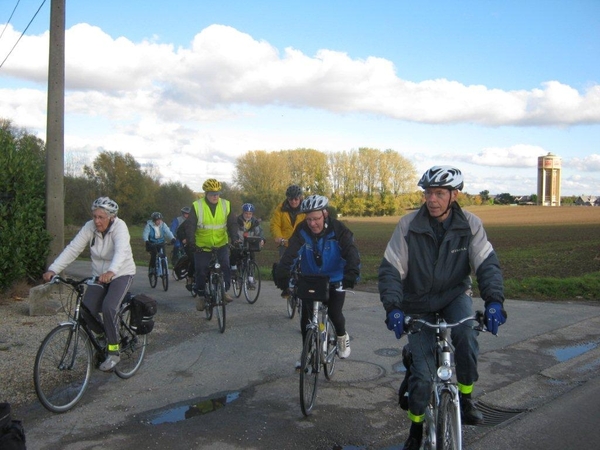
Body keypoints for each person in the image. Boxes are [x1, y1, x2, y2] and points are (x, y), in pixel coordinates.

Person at [377, 166, 507, 450]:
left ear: (454, 195)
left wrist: (494, 301)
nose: (431, 199)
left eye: (438, 193)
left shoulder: (470, 225)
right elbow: (391, 270)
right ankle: (415, 428)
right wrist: (394, 308)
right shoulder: (408, 225)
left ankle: (467, 397)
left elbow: (487, 264)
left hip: (453, 295)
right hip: (417, 303)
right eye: (427, 193)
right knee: (423, 376)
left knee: (467, 337)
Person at [42, 197, 136, 372]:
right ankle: (101, 335)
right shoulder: (89, 227)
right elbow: (73, 248)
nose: (97, 221)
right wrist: (53, 269)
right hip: (99, 276)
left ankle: (114, 351)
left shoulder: (120, 227)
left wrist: (111, 271)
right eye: (94, 216)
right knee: (85, 308)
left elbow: (121, 251)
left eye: (101, 217)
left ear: (111, 217)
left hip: (121, 273)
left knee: (109, 307)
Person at [274, 194, 360, 366]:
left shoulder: (338, 229)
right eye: (309, 219)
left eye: (316, 219)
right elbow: (291, 253)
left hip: (334, 278)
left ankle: (342, 337)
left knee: (335, 313)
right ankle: (306, 353)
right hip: (310, 278)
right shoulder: (301, 230)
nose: (312, 223)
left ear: (325, 214)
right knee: (306, 320)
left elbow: (351, 252)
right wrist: (283, 272)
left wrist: (351, 273)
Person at [182, 178, 237, 311]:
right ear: (206, 193)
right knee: (201, 269)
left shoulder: (226, 205)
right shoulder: (197, 206)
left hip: (221, 243)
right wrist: (191, 242)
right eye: (212, 193)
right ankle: (201, 295)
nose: (215, 196)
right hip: (202, 245)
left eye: (217, 193)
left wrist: (235, 238)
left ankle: (224, 291)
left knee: (225, 264)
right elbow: (190, 226)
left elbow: (232, 223)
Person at [270, 184, 306, 297]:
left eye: (296, 198)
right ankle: (285, 288)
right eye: (291, 199)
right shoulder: (280, 209)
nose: (294, 201)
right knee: (284, 267)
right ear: (287, 198)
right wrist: (278, 236)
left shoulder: (306, 208)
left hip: (301, 242)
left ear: (300, 197)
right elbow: (275, 224)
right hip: (285, 243)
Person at [230, 203, 265, 283]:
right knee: (235, 253)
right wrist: (235, 240)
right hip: (239, 242)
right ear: (243, 212)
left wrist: (262, 240)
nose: (248, 215)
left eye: (250, 214)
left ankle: (250, 277)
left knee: (252, 257)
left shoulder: (255, 222)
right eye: (246, 213)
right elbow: (233, 232)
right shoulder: (237, 220)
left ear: (252, 214)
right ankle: (233, 270)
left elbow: (259, 232)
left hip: (250, 243)